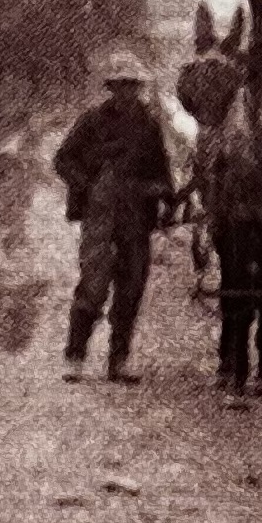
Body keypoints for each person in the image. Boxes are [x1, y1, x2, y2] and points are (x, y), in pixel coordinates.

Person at [55, 49, 176, 384]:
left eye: (132, 85)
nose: (127, 91)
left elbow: (163, 171)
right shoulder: (92, 121)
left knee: (131, 288)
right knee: (92, 287)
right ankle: (75, 357)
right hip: (101, 218)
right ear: (111, 87)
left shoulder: (149, 126)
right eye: (120, 85)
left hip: (136, 220)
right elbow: (63, 159)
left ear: (137, 88)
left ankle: (118, 360)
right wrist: (89, 185)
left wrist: (165, 198)